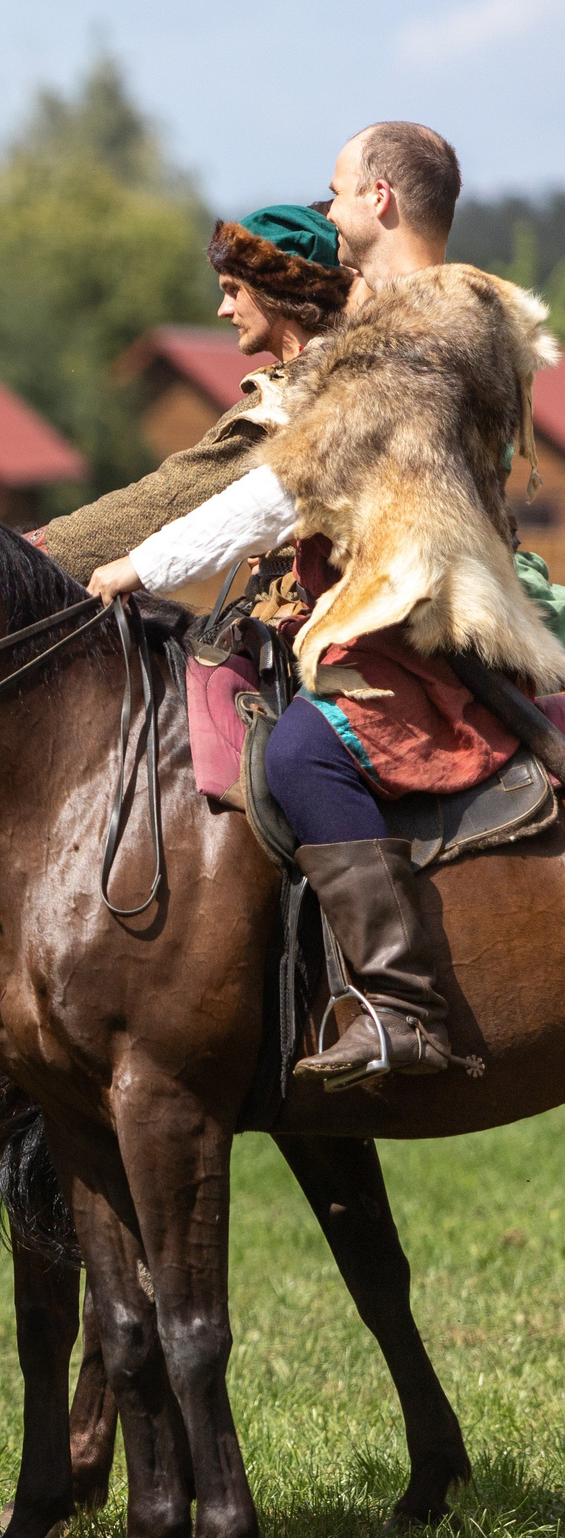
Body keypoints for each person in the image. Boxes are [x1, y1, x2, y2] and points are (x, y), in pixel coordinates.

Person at [83, 124, 560, 1087]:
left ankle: (407, 1008)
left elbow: (286, 486)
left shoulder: (430, 324)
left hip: (419, 618)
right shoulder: (405, 322)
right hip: (398, 604)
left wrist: (139, 565)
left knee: (304, 749)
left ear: (380, 198)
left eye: (337, 191)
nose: (328, 210)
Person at [39, 204, 356, 587]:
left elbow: (165, 499)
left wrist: (30, 554)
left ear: (277, 290)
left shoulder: (294, 401)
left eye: (234, 291)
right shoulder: (341, 373)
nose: (224, 309)